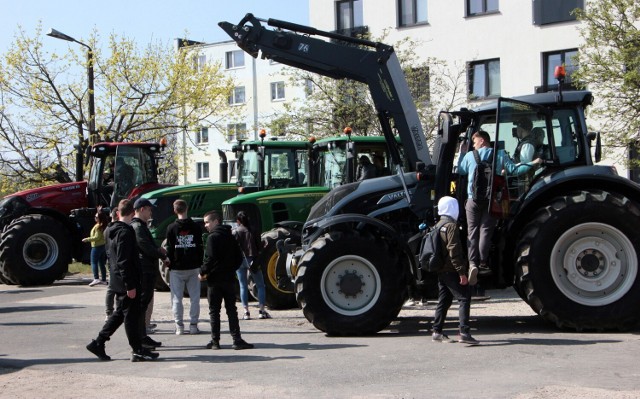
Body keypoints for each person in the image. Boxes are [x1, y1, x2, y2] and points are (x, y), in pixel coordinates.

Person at [458, 130, 542, 278]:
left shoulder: (470, 156)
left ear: (482, 140)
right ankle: (483, 263)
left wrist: (462, 153)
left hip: (473, 200)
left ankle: (472, 264)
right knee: (485, 231)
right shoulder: (500, 154)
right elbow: (515, 170)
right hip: (492, 200)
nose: (473, 145)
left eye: (474, 141)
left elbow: (460, 170)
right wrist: (533, 163)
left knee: (472, 232)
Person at [86, 199, 159, 362]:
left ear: (118, 213)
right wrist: (130, 285)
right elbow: (123, 260)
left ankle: (99, 342)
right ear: (133, 213)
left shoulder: (109, 230)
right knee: (131, 318)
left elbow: (113, 258)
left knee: (120, 314)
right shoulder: (126, 232)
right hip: (127, 281)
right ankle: (137, 350)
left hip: (117, 279)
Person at [200, 211, 254, 350]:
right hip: (229, 279)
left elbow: (210, 259)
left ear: (216, 221)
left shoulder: (213, 238)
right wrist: (230, 269)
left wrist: (203, 272)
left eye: (207, 222)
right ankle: (237, 339)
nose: (205, 225)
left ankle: (215, 341)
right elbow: (238, 257)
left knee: (214, 311)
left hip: (215, 280)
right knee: (231, 310)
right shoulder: (230, 236)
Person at [431, 196, 479, 345]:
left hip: (441, 270)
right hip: (451, 270)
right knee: (464, 298)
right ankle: (464, 332)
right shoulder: (451, 226)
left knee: (444, 301)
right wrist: (461, 272)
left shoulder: (437, 225)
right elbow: (454, 250)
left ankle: (437, 331)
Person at [131, 197, 168, 349]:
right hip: (143, 269)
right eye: (149, 209)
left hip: (146, 269)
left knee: (144, 304)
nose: (151, 212)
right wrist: (161, 253)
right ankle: (140, 338)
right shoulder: (138, 227)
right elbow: (145, 247)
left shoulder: (141, 226)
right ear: (141, 209)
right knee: (141, 305)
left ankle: (143, 336)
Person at [165, 199, 204, 335]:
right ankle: (193, 325)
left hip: (176, 267)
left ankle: (179, 326)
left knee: (176, 298)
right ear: (187, 209)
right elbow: (200, 247)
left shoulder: (171, 228)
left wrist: (169, 262)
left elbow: (169, 248)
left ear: (175, 210)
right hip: (193, 266)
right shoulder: (196, 227)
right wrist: (200, 264)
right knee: (195, 297)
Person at [233, 211, 271, 320]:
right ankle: (262, 311)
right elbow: (259, 247)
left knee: (243, 286)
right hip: (253, 260)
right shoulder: (254, 230)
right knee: (260, 285)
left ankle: (246, 312)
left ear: (238, 221)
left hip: (240, 261)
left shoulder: (236, 232)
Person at [82, 207, 110, 286]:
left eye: (96, 217)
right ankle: (104, 279)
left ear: (100, 218)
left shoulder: (98, 226)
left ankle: (96, 278)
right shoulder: (103, 225)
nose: (95, 218)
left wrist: (87, 239)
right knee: (101, 263)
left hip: (96, 246)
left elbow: (96, 237)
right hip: (102, 246)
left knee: (93, 262)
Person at [104, 207, 118, 320]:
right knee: (113, 288)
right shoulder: (115, 229)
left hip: (110, 260)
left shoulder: (106, 229)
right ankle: (110, 312)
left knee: (112, 288)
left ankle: (110, 312)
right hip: (115, 260)